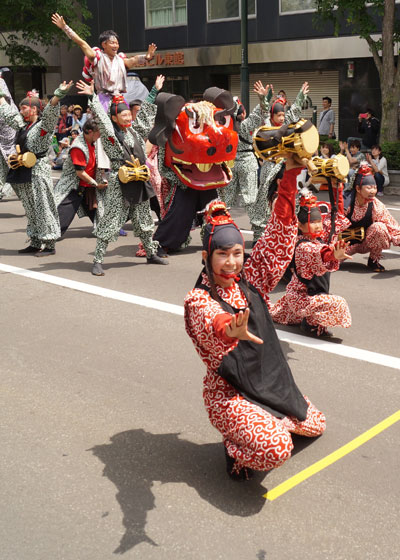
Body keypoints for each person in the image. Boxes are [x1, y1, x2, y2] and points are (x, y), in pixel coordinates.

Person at [184, 155, 326, 480]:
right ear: (206, 256)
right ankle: (235, 450)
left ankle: (269, 418)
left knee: (316, 424)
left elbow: (278, 234)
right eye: (222, 254)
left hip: (268, 383)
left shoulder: (252, 278)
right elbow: (209, 321)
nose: (232, 262)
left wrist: (289, 177)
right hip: (229, 392)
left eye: (237, 253)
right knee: (276, 448)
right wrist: (227, 328)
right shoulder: (199, 298)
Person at [76, 77, 167, 276]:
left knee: (144, 220)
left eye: (128, 114)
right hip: (121, 181)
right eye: (123, 115)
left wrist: (154, 90)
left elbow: (144, 115)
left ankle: (151, 253)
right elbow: (103, 120)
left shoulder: (134, 130)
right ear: (115, 118)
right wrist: (92, 95)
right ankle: (98, 260)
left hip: (140, 179)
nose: (127, 118)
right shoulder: (111, 136)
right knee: (111, 221)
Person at [0, 81, 73, 255]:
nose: (21, 110)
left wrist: (58, 95)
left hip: (38, 170)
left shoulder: (43, 126)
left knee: (43, 205)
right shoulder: (23, 126)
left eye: (24, 107)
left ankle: (49, 243)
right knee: (30, 207)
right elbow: (9, 115)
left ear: (33, 109)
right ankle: (35, 239)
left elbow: (50, 112)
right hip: (23, 169)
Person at [271, 186, 352, 338]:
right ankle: (310, 323)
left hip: (308, 297)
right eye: (312, 222)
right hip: (301, 298)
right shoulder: (302, 246)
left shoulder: (319, 237)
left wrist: (337, 188)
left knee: (273, 313)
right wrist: (332, 254)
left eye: (318, 221)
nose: (318, 225)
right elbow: (319, 254)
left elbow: (335, 216)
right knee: (339, 303)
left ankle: (306, 318)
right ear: (300, 226)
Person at [52, 13, 156, 110]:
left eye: (117, 43)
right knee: (105, 127)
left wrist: (146, 57)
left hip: (120, 99)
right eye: (112, 43)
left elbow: (133, 60)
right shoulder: (97, 57)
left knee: (126, 124)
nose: (115, 45)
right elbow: (82, 43)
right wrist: (65, 27)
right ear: (104, 44)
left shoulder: (120, 60)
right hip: (103, 100)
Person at [254, 82, 310, 243]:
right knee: (264, 197)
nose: (281, 118)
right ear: (272, 116)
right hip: (270, 166)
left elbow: (295, 110)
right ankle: (260, 234)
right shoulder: (267, 125)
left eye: (282, 116)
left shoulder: (287, 124)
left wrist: (301, 95)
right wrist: (263, 97)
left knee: (292, 196)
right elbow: (264, 109)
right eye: (278, 116)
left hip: (286, 167)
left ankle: (291, 231)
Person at [217, 81, 270, 242]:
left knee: (225, 199)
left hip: (230, 164)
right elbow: (260, 112)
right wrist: (263, 99)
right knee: (251, 199)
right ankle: (258, 234)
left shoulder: (224, 129)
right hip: (247, 162)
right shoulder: (246, 125)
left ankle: (219, 230)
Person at [54, 118, 108, 237]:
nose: (100, 134)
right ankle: (44, 241)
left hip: (88, 187)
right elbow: (80, 173)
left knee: (102, 217)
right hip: (73, 188)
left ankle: (109, 229)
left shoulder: (94, 142)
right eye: (98, 132)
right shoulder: (78, 147)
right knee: (58, 224)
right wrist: (96, 184)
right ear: (89, 131)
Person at [344, 164, 400, 272]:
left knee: (380, 228)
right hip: (343, 244)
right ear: (358, 189)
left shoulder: (376, 204)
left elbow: (393, 228)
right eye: (369, 188)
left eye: (374, 188)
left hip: (365, 242)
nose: (373, 191)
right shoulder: (346, 203)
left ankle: (373, 260)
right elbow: (330, 229)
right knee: (326, 264)